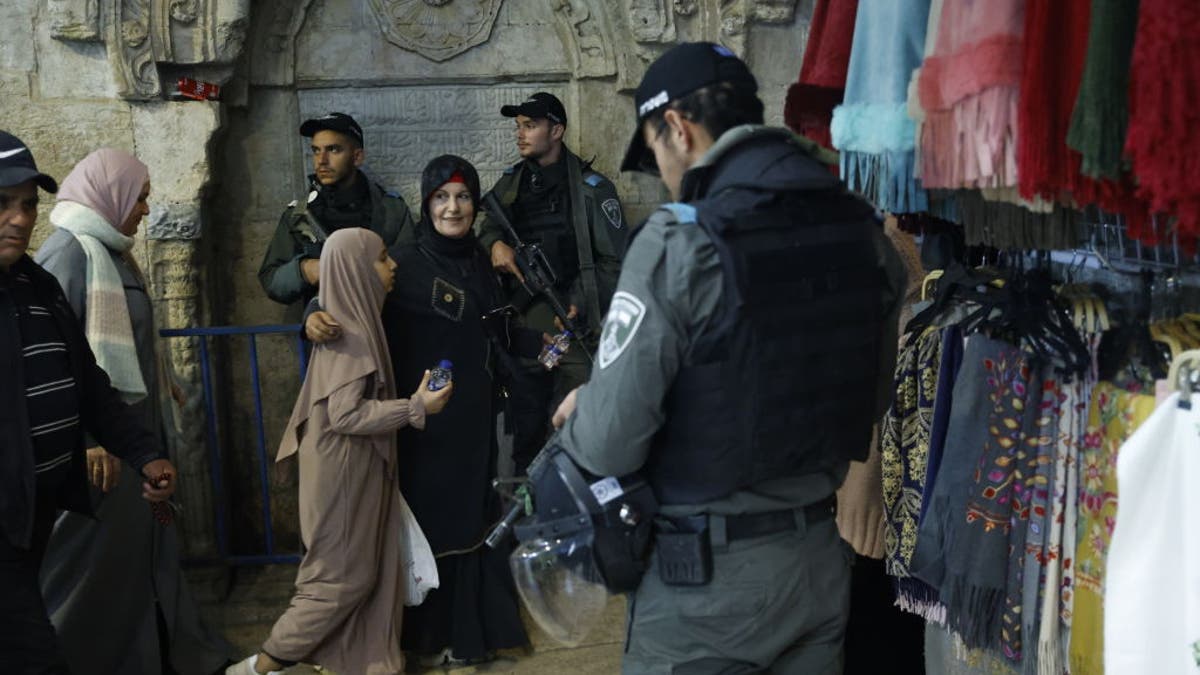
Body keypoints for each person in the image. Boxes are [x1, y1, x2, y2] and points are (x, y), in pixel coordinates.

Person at [549, 43, 907, 673]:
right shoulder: (862, 232)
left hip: (704, 586)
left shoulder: (680, 238)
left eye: (656, 154)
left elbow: (605, 445)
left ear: (679, 130)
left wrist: (592, 401)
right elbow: (869, 399)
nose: (662, 174)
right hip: (817, 567)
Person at [307, 155, 538, 666]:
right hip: (423, 424)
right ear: (426, 203)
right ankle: (423, 639)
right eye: (441, 197)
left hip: (474, 421)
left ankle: (466, 635)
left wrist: (544, 344)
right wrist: (312, 314)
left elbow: (496, 330)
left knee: (473, 526)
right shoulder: (404, 262)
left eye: (462, 197)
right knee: (434, 528)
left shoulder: (479, 259)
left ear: (475, 204)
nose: (452, 207)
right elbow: (347, 293)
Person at [35, 148, 233, 675]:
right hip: (101, 453)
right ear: (111, 194)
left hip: (136, 441)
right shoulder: (68, 255)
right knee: (89, 569)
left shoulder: (114, 252)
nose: (145, 209)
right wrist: (87, 440)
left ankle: (159, 653)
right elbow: (57, 361)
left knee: (143, 549)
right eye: (139, 197)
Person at [231, 228, 451, 675]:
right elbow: (346, 417)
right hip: (343, 477)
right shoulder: (350, 333)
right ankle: (258, 667)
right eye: (382, 259)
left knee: (359, 573)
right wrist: (416, 406)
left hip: (351, 471)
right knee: (338, 581)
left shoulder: (352, 321)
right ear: (354, 269)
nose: (392, 267)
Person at [0, 131, 178, 672]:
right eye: (2, 204)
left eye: (29, 204)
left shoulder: (35, 285)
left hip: (35, 509)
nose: (21, 219)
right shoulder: (68, 257)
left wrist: (142, 452)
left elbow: (88, 382)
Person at [478, 92, 626, 474]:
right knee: (526, 429)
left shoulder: (593, 190)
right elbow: (486, 226)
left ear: (556, 130)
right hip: (525, 330)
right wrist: (495, 244)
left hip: (574, 328)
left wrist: (577, 301)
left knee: (579, 426)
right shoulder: (511, 185)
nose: (521, 135)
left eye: (530, 126)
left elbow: (614, 261)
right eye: (518, 127)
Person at [258, 112, 415, 309]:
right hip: (327, 331)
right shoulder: (299, 216)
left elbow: (412, 273)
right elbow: (271, 281)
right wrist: (306, 270)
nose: (321, 160)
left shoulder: (392, 211)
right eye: (316, 150)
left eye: (333, 150)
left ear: (357, 157)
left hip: (386, 330)